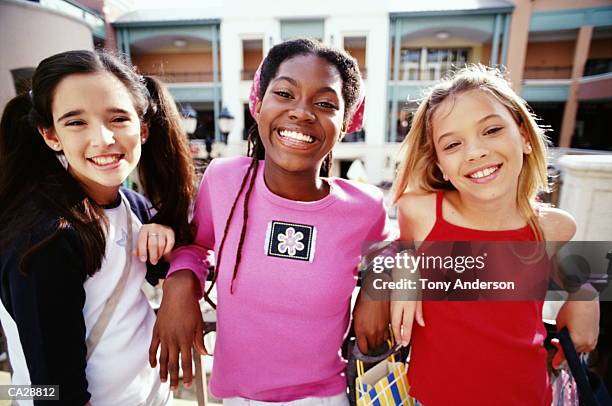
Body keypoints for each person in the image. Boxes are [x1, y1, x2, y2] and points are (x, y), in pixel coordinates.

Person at [149, 38, 390, 404]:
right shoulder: (225, 179)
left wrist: (379, 289)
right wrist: (179, 283)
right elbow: (196, 245)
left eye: (325, 103)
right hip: (236, 396)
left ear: (347, 122)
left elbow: (400, 253)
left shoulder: (365, 206)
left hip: (324, 396)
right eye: (285, 93)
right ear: (258, 105)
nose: (302, 112)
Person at [372, 65, 599, 405]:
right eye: (452, 144)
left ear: (523, 136)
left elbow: (571, 274)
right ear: (439, 166)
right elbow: (388, 249)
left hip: (529, 395)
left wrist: (586, 294)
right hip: (433, 397)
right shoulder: (419, 213)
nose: (475, 152)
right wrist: (404, 263)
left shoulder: (554, 227)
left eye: (491, 130)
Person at [0, 50, 195, 406]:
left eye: (118, 118)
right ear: (50, 135)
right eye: (76, 122)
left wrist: (169, 244)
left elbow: (175, 257)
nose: (103, 138)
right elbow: (54, 390)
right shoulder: (46, 237)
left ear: (144, 128)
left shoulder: (135, 208)